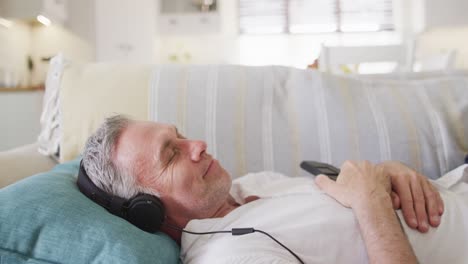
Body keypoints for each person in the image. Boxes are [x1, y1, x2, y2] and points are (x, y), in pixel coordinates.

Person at [81, 115, 468, 264]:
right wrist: (373, 203)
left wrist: (388, 174)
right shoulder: (229, 257)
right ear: (148, 209)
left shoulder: (252, 184)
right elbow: (365, 201)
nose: (197, 144)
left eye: (179, 135)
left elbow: (356, 191)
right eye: (171, 153)